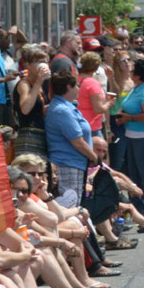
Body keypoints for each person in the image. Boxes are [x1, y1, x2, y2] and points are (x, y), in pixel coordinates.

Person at [114, 58, 144, 219]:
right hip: (134, 136)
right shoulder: (137, 88)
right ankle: (138, 205)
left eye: (133, 70)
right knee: (134, 173)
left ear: (138, 75)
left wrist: (129, 117)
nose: (130, 71)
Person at [43, 70, 97, 208]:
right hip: (67, 164)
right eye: (76, 86)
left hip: (75, 163)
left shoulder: (67, 107)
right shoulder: (62, 110)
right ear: (68, 87)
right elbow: (77, 141)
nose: (79, 89)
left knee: (75, 204)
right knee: (70, 205)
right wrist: (95, 158)